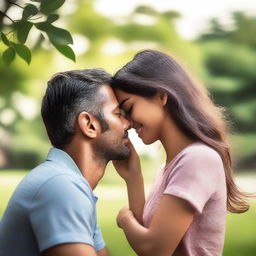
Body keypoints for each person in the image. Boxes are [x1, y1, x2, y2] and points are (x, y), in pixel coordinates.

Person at [110, 49, 250, 256]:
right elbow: (147, 235)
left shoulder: (198, 159)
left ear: (161, 96)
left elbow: (154, 249)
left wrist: (124, 219)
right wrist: (133, 177)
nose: (128, 123)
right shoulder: (173, 166)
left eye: (129, 108)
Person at [0, 69, 131, 256]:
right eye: (119, 114)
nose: (129, 123)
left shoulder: (70, 183)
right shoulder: (60, 185)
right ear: (89, 125)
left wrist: (133, 179)